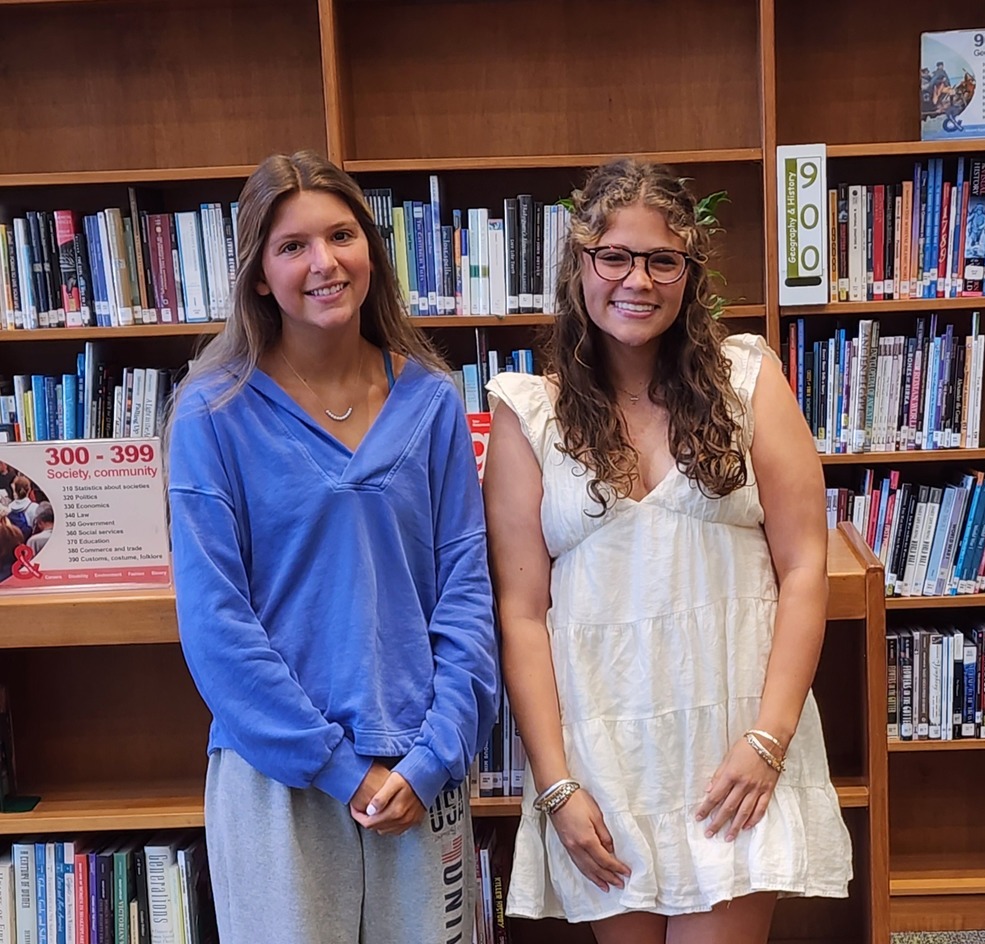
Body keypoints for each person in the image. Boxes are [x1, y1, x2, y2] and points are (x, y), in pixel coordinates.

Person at [483, 158, 852, 944]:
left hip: (735, 742)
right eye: (614, 256)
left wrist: (769, 739)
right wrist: (555, 785)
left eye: (662, 260)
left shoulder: (749, 381)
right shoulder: (530, 414)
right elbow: (521, 614)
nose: (637, 280)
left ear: (689, 272)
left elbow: (804, 568)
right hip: (604, 750)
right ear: (579, 264)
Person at [167, 149, 499, 944]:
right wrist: (335, 767)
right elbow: (217, 624)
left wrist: (433, 757)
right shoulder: (210, 415)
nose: (325, 263)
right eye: (292, 246)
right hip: (279, 772)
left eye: (342, 236)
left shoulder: (431, 401)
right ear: (257, 274)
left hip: (421, 773)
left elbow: (465, 590)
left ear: (372, 252)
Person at [6, 475, 38, 542]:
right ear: (29, 489)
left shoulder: (9, 507)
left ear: (14, 490)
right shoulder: (34, 507)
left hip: (14, 541)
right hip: (30, 541)